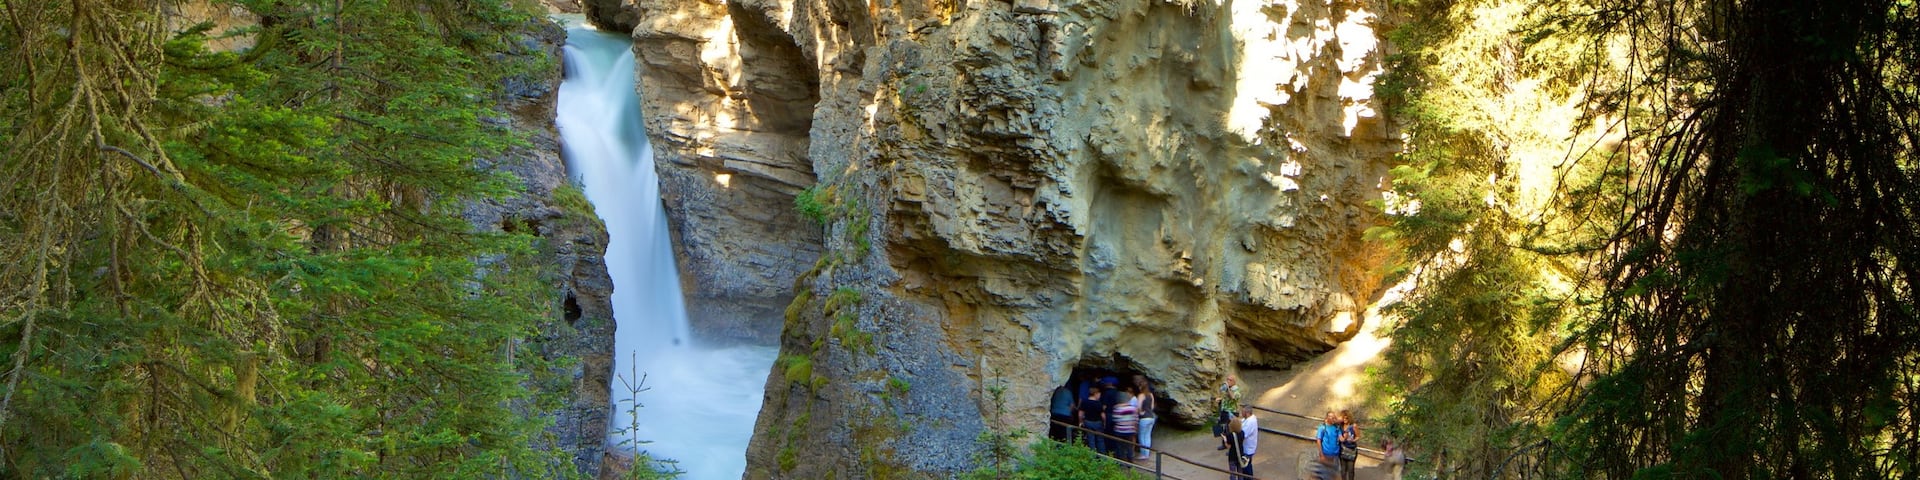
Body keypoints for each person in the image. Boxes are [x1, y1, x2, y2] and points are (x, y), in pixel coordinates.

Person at [1109, 387, 1139, 459]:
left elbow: (1115, 419)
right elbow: (1136, 419)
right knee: (1129, 445)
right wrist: (1135, 428)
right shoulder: (1133, 408)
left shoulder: (1117, 408)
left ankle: (1121, 459)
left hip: (1119, 430)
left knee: (1120, 446)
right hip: (1130, 430)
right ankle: (1130, 460)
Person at [1132, 375, 1157, 460]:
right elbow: (1152, 407)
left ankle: (1143, 454)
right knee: (1148, 436)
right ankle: (1147, 454)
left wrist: (1140, 412)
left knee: (1142, 436)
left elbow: (1138, 407)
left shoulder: (1141, 395)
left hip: (1144, 418)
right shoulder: (1151, 395)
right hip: (1151, 417)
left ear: (1140, 387)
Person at [1214, 375, 1242, 450]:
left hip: (1232, 412)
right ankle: (1224, 444)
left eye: (1230, 380)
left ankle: (1232, 447)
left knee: (1231, 429)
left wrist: (1228, 389)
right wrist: (1220, 399)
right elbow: (1224, 397)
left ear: (1234, 381)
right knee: (1223, 428)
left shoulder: (1236, 390)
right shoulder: (1226, 388)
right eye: (1227, 379)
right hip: (1224, 410)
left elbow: (1233, 397)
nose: (1228, 381)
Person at [1315, 411, 1343, 480]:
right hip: (1325, 454)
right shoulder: (1322, 428)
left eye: (1334, 417)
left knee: (1334, 473)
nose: (1333, 419)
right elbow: (1318, 440)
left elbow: (1341, 438)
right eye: (1331, 417)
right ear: (1327, 418)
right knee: (1324, 473)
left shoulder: (1337, 428)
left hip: (1335, 455)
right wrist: (1321, 455)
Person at [1078, 387, 1106, 454]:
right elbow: (1103, 416)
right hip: (1098, 423)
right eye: (1099, 394)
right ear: (1095, 394)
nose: (1099, 396)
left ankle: (1092, 455)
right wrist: (1104, 423)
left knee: (1091, 439)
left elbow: (1080, 414)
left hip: (1088, 422)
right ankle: (1102, 456)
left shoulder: (1084, 402)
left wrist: (1080, 421)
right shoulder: (1098, 403)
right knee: (1100, 440)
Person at [1224, 409, 1248, 478]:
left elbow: (1228, 446)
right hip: (1240, 455)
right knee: (1240, 473)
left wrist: (1225, 440)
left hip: (1232, 456)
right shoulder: (1242, 433)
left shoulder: (1230, 435)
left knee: (1233, 474)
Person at [1338, 409, 1360, 480]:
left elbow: (1358, 436)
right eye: (1343, 418)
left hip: (1351, 449)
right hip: (1342, 449)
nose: (1345, 419)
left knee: (1351, 470)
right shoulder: (1340, 426)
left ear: (1349, 417)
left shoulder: (1353, 426)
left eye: (1346, 418)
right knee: (1343, 470)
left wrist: (1353, 440)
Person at [1238, 406, 1259, 477]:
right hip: (1246, 446)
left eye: (1243, 412)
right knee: (1245, 465)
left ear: (1247, 413)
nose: (1241, 413)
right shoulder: (1247, 418)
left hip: (1248, 448)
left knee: (1247, 466)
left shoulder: (1251, 422)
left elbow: (1243, 434)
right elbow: (1241, 422)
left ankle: (1249, 478)